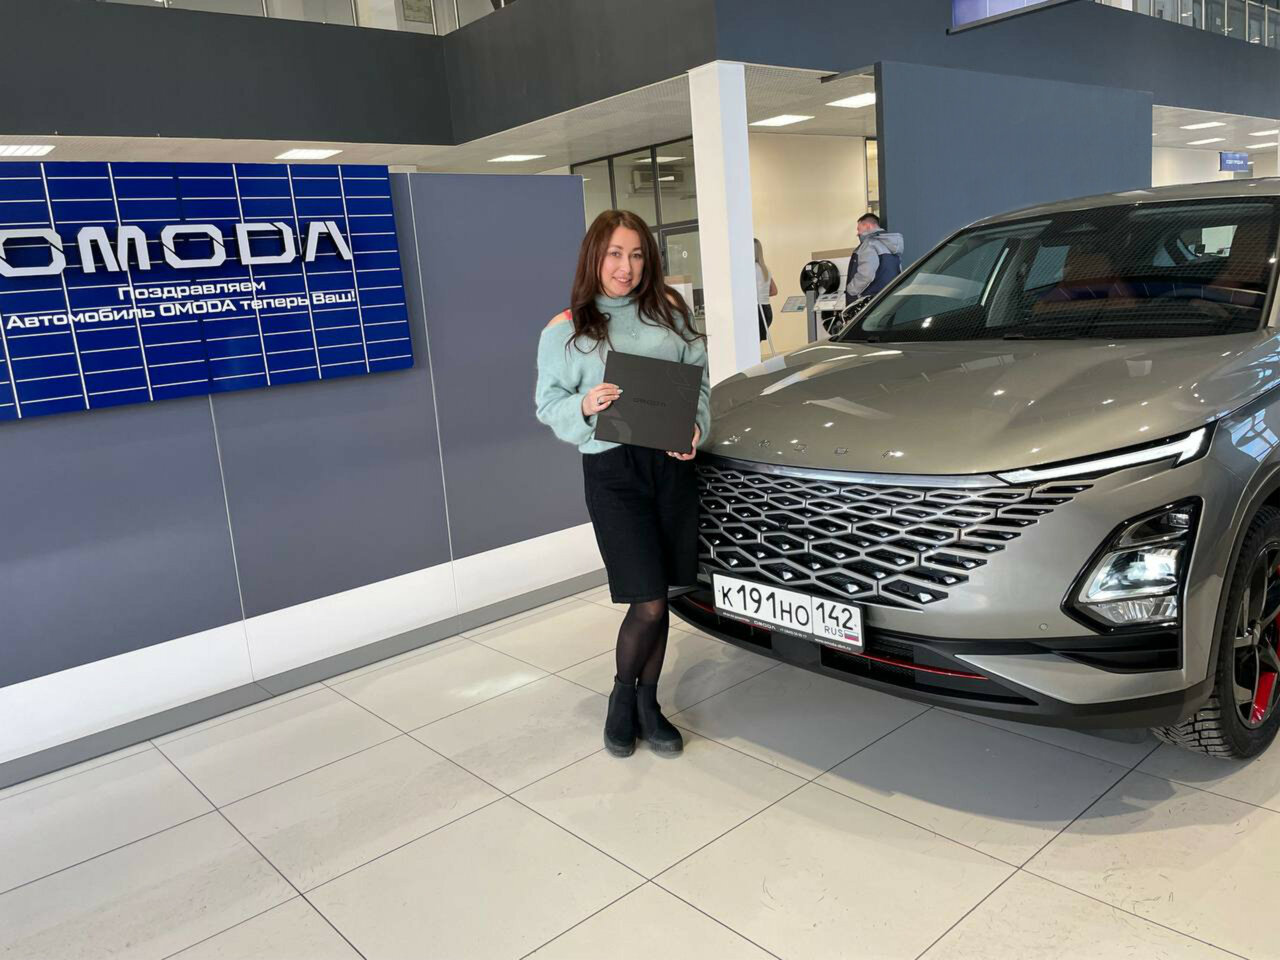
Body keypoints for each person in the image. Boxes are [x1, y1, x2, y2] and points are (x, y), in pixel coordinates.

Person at [534, 209, 710, 759]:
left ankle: (649, 704)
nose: (625, 267)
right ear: (595, 257)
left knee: (666, 590)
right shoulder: (567, 328)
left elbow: (699, 382)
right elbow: (548, 404)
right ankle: (622, 696)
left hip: (671, 466)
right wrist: (585, 405)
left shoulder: (669, 312)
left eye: (635, 255)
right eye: (614, 254)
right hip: (613, 472)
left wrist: (697, 427)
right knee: (648, 600)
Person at [845, 213, 904, 305]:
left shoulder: (869, 244)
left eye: (859, 229)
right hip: (888, 299)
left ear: (867, 226)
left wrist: (851, 290)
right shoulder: (891, 245)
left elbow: (866, 275)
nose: (858, 233)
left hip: (870, 301)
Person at [754, 237, 778, 341]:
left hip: (757, 310)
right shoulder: (766, 269)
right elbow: (774, 291)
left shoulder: (750, 269)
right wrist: (761, 294)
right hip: (767, 310)